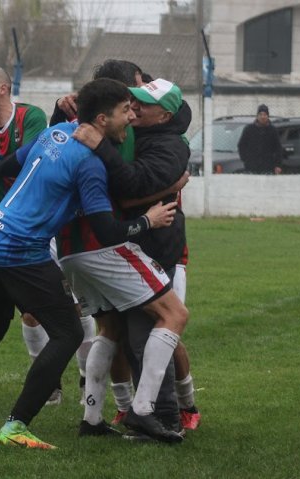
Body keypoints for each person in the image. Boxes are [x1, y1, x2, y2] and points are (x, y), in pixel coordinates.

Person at [0, 78, 179, 449]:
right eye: (125, 110)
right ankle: (16, 427)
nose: (131, 117)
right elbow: (107, 231)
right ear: (101, 119)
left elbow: (5, 166)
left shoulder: (54, 133)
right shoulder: (90, 164)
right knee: (69, 334)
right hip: (21, 249)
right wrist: (148, 220)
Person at [53, 61, 200, 432]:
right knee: (160, 323)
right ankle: (147, 411)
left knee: (120, 331)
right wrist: (154, 210)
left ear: (164, 115)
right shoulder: (108, 132)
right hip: (110, 245)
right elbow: (125, 191)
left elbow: (131, 183)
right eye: (128, 103)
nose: (133, 109)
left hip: (96, 246)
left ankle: (116, 416)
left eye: (141, 103)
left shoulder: (164, 144)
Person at [0, 65, 79, 405]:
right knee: (30, 311)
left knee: (76, 307)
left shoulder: (30, 117)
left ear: (2, 89)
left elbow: (27, 162)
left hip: (45, 227)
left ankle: (88, 379)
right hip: (7, 233)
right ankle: (50, 386)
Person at [237, 104, 283, 174]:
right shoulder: (249, 129)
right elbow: (241, 145)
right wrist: (245, 159)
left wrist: (278, 165)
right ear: (257, 116)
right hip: (251, 167)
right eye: (260, 114)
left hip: (268, 167)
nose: (262, 117)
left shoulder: (273, 130)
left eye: (265, 114)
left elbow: (278, 148)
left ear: (267, 116)